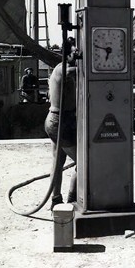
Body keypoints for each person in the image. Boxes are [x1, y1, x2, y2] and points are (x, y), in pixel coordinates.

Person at [44, 63, 77, 204]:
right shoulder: (63, 69)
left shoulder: (58, 68)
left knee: (58, 162)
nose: (77, 54)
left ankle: (56, 199)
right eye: (74, 52)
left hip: (55, 119)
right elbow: (70, 72)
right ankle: (73, 198)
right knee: (85, 163)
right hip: (61, 121)